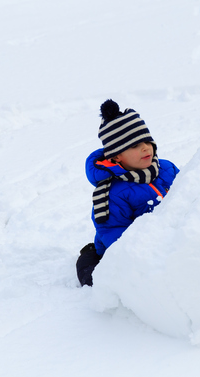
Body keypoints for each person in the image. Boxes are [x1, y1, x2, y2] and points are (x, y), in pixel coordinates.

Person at [76, 99, 180, 286]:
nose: (145, 147)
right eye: (134, 146)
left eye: (146, 140)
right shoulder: (112, 193)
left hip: (170, 237)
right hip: (127, 248)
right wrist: (139, 256)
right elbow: (113, 232)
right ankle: (88, 259)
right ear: (117, 156)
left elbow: (189, 191)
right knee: (97, 275)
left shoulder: (166, 168)